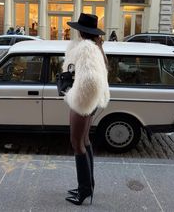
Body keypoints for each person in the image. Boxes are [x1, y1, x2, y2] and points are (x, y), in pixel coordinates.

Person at [62, 13, 110, 205]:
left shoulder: (85, 49)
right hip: (93, 101)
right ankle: (88, 185)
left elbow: (89, 80)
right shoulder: (96, 48)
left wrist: (76, 98)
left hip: (83, 101)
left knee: (77, 143)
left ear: (81, 31)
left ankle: (84, 192)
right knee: (85, 140)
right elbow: (104, 71)